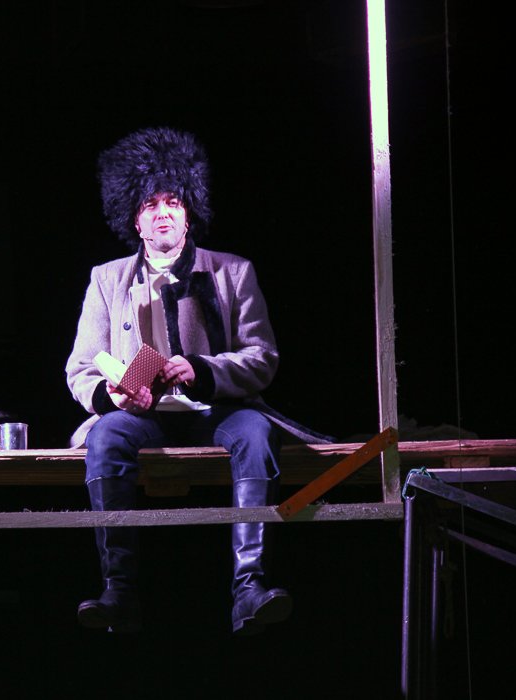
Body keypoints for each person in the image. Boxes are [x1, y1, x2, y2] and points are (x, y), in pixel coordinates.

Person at [65, 127, 331, 635]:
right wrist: (112, 393)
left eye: (172, 202)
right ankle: (118, 591)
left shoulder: (234, 271)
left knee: (256, 432)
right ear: (134, 219)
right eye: (150, 205)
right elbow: (80, 368)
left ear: (189, 212)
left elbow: (262, 356)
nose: (162, 213)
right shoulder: (106, 278)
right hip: (142, 418)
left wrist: (204, 370)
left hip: (219, 411)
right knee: (104, 436)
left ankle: (248, 589)